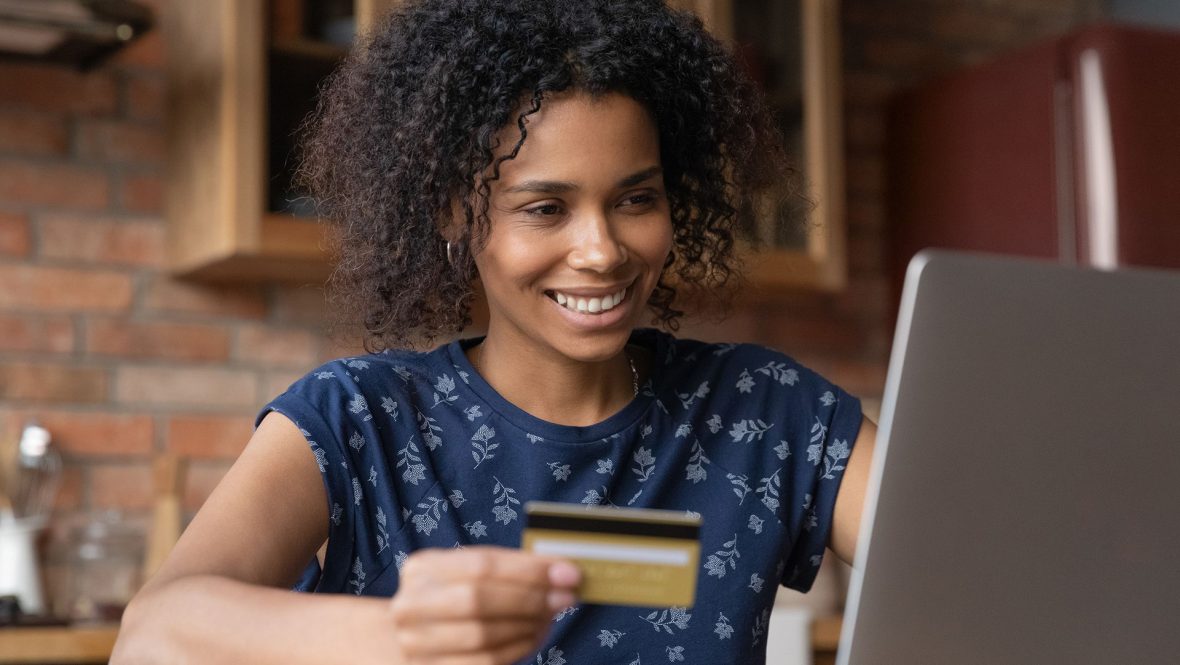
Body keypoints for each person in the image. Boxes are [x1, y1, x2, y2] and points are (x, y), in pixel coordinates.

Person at [112, 0, 876, 663]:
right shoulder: (358, 417)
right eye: (545, 208)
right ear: (456, 210)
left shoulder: (764, 411)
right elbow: (152, 637)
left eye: (635, 199)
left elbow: (964, 559)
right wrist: (394, 639)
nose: (602, 250)